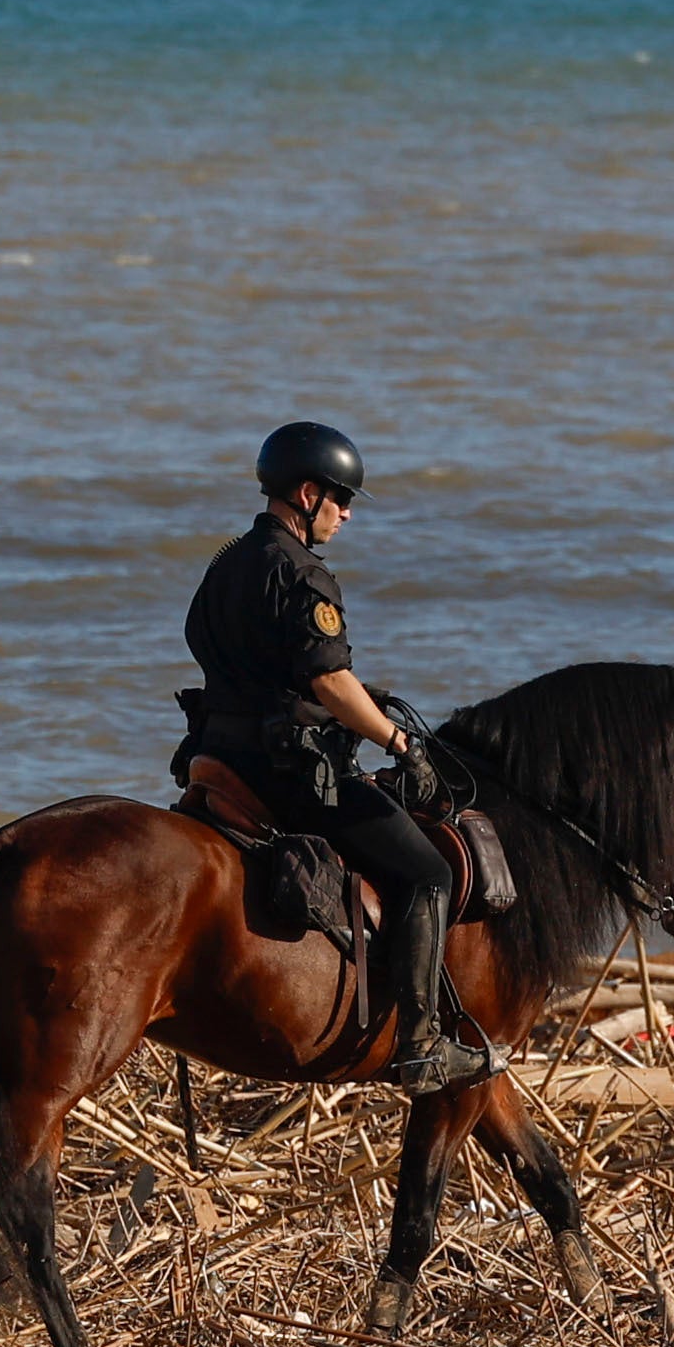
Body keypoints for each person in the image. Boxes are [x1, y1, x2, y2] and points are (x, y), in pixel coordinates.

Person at [181, 421, 489, 1096]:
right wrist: (400, 741)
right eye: (341, 500)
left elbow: (257, 667)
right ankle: (422, 1045)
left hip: (216, 758)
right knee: (429, 874)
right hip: (286, 774)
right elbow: (327, 681)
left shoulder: (226, 564)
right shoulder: (303, 573)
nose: (347, 514)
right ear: (307, 493)